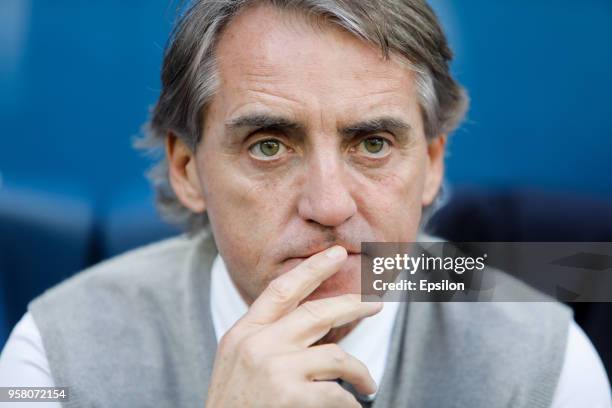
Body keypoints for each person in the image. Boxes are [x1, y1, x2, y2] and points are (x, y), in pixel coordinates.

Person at [1, 1, 610, 407]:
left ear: (433, 165)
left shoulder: (548, 366)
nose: (328, 204)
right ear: (187, 169)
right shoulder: (54, 362)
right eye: (269, 146)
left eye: (372, 143)